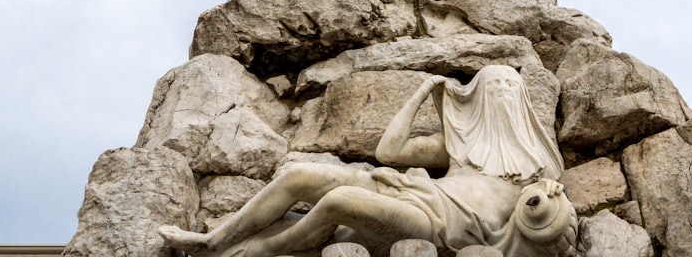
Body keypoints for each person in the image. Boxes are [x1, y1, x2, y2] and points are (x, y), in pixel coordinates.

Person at [158, 66, 568, 257]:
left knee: (342, 203)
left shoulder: (540, 169)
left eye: (510, 87)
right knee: (299, 174)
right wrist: (424, 88)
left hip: (443, 226)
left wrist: (544, 201)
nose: (501, 94)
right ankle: (216, 240)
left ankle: (263, 250)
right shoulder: (459, 148)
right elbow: (388, 153)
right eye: (492, 86)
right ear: (474, 101)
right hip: (418, 191)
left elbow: (543, 223)